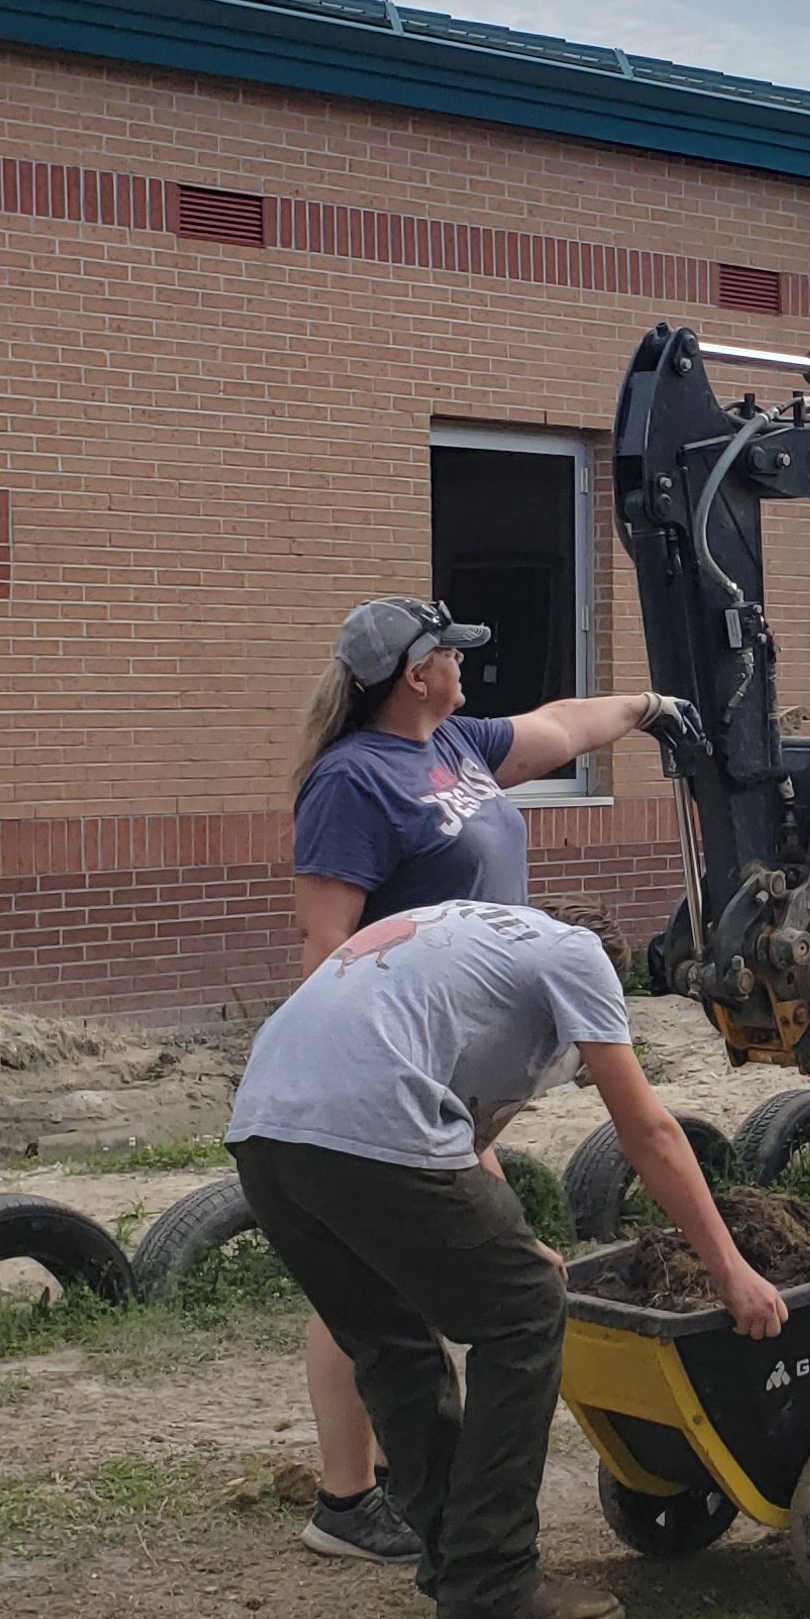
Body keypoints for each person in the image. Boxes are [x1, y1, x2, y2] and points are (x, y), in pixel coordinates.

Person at [228, 898, 786, 1619]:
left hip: (263, 1130)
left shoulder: (466, 940)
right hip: (368, 1120)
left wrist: (513, 1237)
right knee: (524, 1310)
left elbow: (467, 1126)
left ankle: (459, 1570)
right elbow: (648, 1131)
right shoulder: (579, 955)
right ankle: (494, 1580)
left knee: (391, 1340)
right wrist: (732, 1273)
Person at [276, 594, 687, 1565]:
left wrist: (649, 706)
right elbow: (323, 941)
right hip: (403, 1062)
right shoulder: (351, 782)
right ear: (415, 675)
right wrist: (361, 1072)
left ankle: (374, 1491)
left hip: (465, 1066)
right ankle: (360, 1500)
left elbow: (555, 728)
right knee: (432, 1280)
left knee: (397, 1279)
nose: (465, 664)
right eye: (449, 653)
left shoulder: (455, 745)